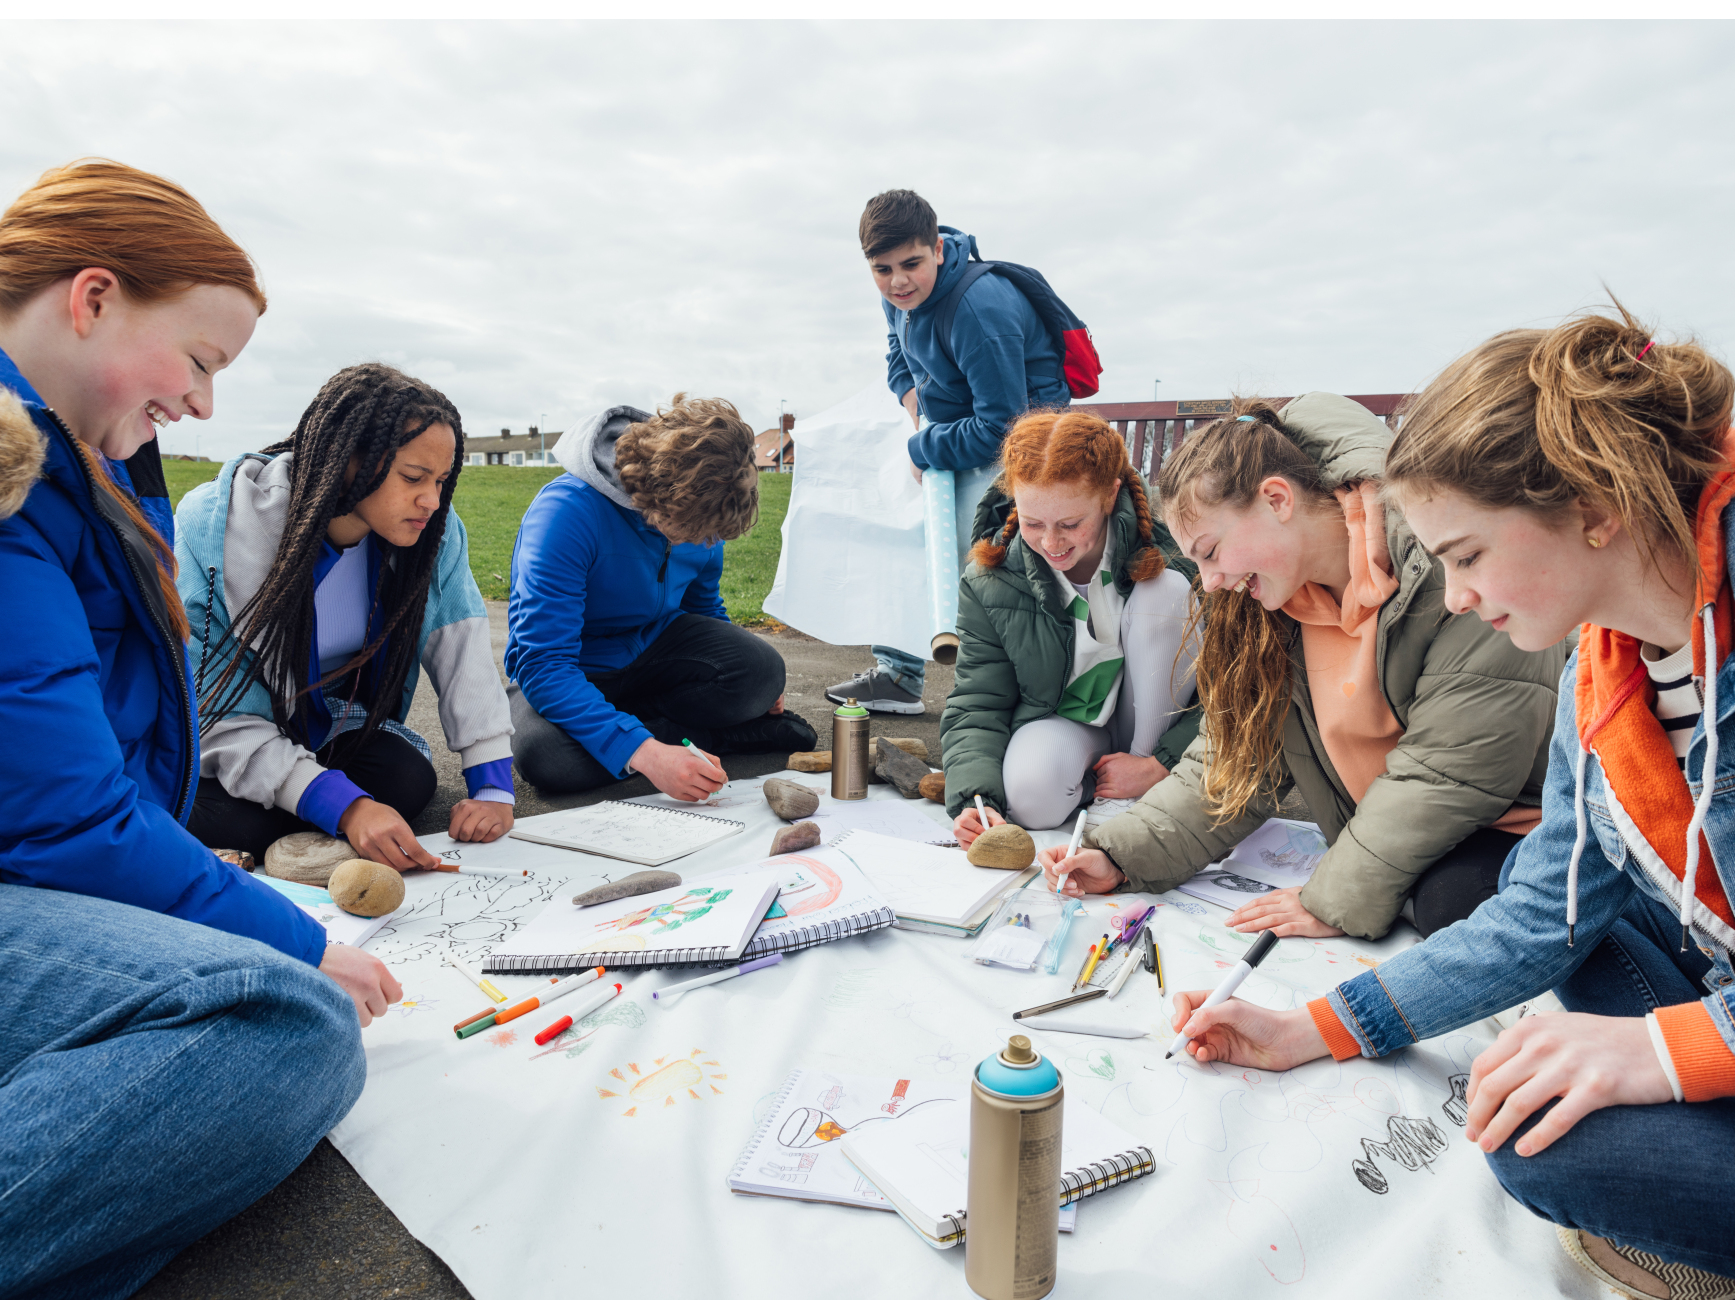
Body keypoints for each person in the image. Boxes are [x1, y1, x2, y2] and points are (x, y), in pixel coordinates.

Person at [1169, 309, 1735, 1300]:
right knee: (1537, 1082)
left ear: (1594, 507)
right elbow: (1540, 914)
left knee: (1549, 1130)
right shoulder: (1597, 675)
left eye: (1468, 554)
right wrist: (1314, 1025)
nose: (1457, 595)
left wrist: (1668, 1049)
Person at [0, 159, 378, 1300]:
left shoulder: (91, 465)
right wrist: (297, 939)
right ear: (94, 295)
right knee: (282, 1023)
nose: (207, 403)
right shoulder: (14, 478)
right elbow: (65, 818)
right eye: (202, 361)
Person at [1042, 393, 1568, 941]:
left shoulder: (1445, 567)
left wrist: (1333, 897)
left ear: (1276, 499)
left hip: (1515, 825)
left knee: (1455, 901)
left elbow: (1450, 772)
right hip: (1398, 834)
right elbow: (1233, 761)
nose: (1209, 580)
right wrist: (1122, 855)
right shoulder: (1271, 608)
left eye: (1212, 551)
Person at [177, 362, 516, 868]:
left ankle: (305, 809)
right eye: (414, 477)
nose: (432, 500)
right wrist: (350, 807)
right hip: (230, 736)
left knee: (407, 778)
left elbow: (461, 645)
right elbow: (211, 716)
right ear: (347, 461)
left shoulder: (433, 535)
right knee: (232, 818)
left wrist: (493, 783)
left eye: (442, 480)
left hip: (327, 729)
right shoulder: (219, 528)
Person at [825, 189, 1071, 716]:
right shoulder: (900, 293)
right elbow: (898, 348)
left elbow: (1003, 427)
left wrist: (924, 445)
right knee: (894, 517)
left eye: (911, 264)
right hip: (962, 421)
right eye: (882, 270)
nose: (897, 282)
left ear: (937, 249)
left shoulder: (980, 309)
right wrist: (910, 395)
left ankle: (1014, 688)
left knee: (972, 545)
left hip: (1026, 442)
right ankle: (897, 673)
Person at [506, 395, 814, 799]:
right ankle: (695, 740)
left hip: (652, 659)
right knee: (546, 756)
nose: (699, 542)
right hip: (573, 669)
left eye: (709, 536)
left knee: (761, 671)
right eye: (688, 529)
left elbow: (703, 611)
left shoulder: (704, 516)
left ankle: (632, 737)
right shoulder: (565, 514)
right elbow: (543, 662)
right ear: (658, 491)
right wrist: (648, 755)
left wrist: (758, 687)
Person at [942, 409, 1199, 840]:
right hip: (1070, 723)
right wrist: (975, 800)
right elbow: (978, 700)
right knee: (1030, 800)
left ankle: (1137, 788)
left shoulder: (1180, 552)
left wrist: (1161, 762)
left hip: (1157, 730)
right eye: (1033, 523)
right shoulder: (991, 579)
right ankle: (1102, 785)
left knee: (1165, 590)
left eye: (1070, 523)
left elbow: (1230, 693)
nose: (1051, 543)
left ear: (1109, 496)